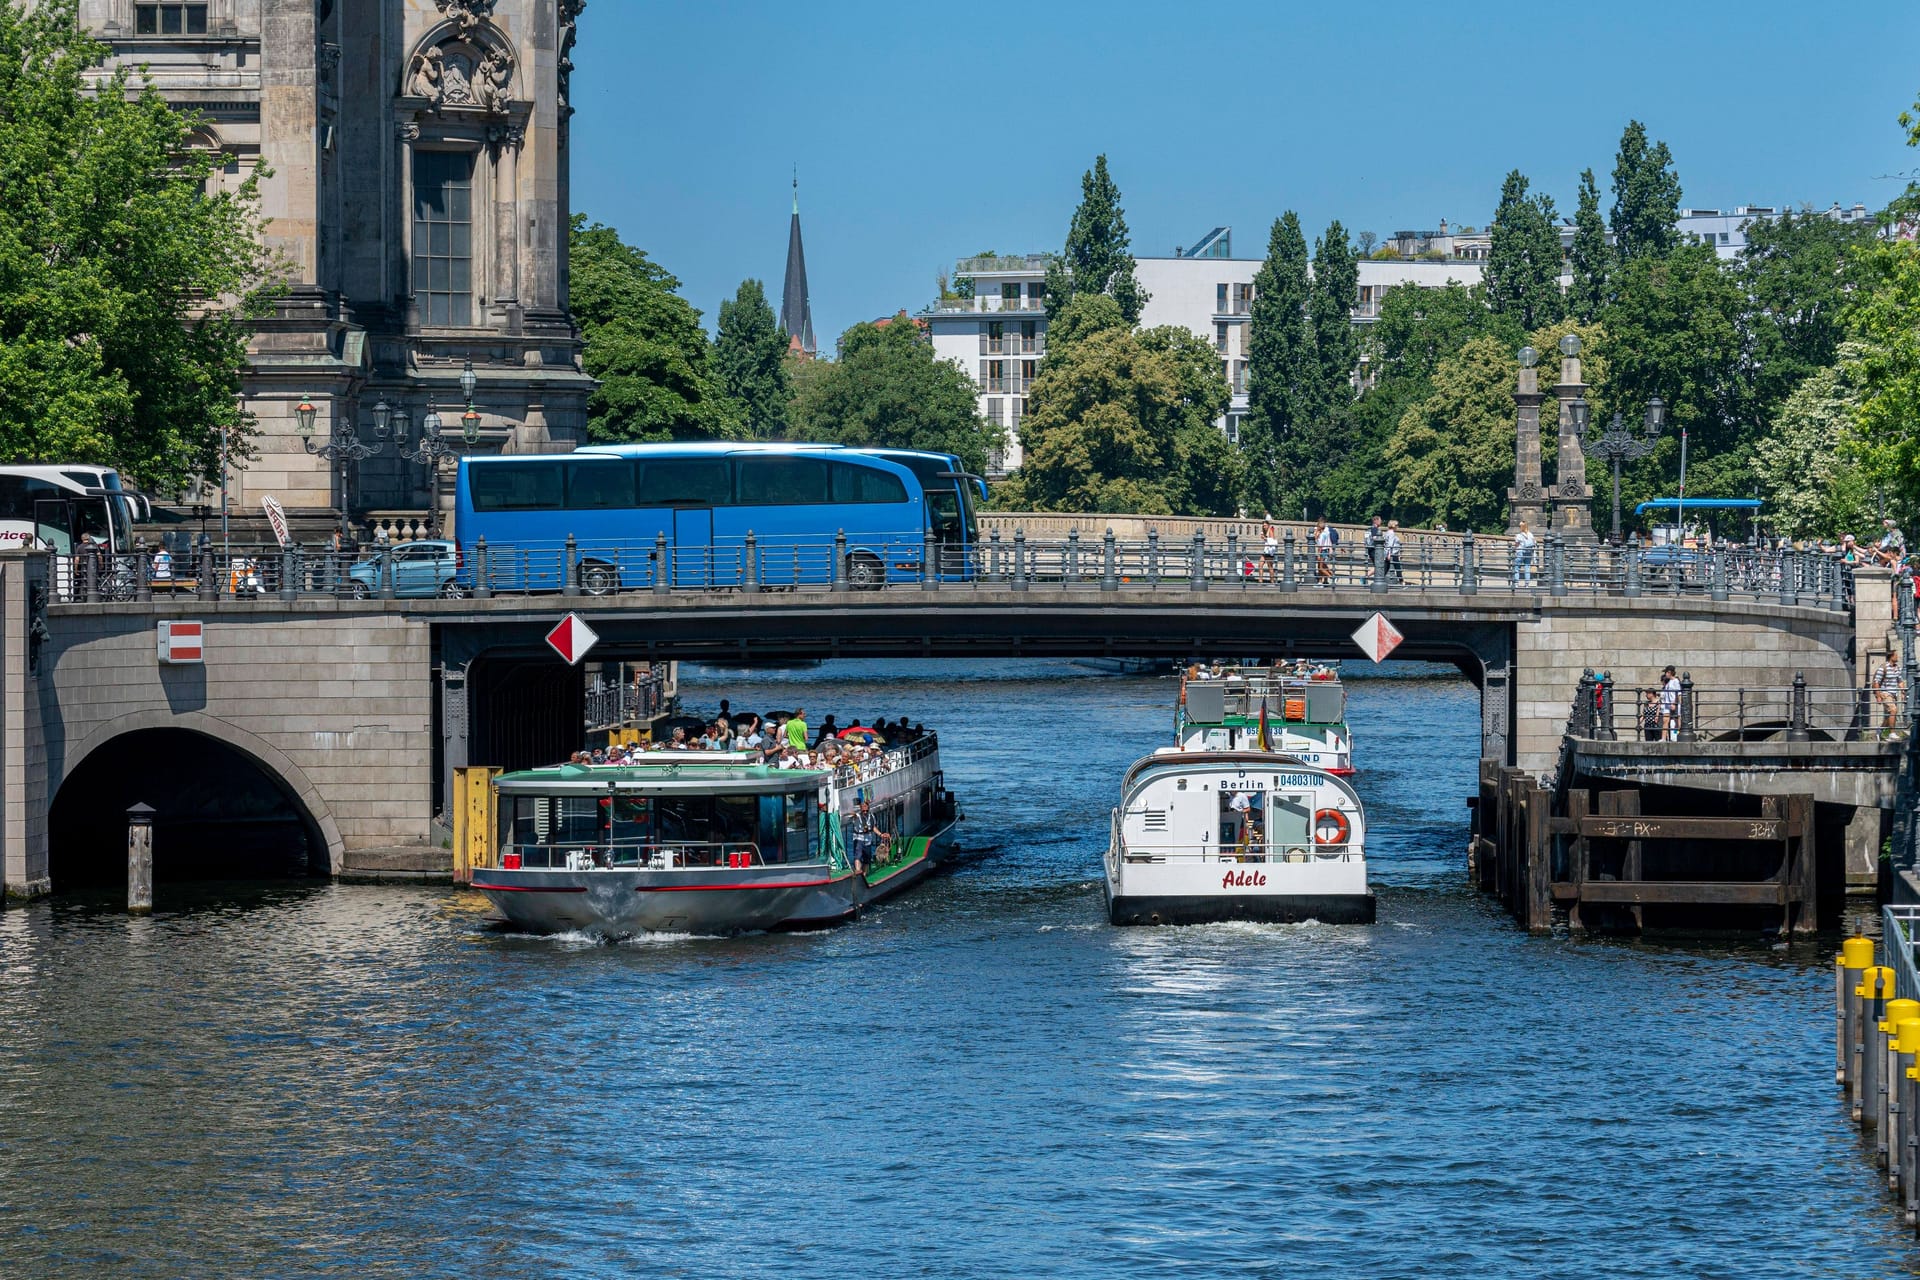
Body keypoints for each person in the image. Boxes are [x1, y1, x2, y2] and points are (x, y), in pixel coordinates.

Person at [846, 798, 876, 873]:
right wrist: (852, 813)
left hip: (868, 840)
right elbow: (854, 816)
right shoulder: (858, 816)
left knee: (866, 860)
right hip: (859, 839)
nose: (865, 811)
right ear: (861, 808)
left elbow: (874, 827)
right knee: (858, 856)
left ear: (868, 808)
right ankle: (858, 871)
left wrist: (881, 834)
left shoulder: (871, 816)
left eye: (866, 809)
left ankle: (864, 875)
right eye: (863, 809)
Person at [1876, 656, 1904, 733]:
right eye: (1896, 655)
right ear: (1891, 657)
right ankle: (1892, 733)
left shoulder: (1897, 668)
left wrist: (1902, 692)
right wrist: (1878, 696)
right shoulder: (1883, 668)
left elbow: (1900, 681)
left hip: (1894, 694)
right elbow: (1876, 682)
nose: (1897, 656)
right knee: (1893, 710)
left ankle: (1880, 730)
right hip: (1885, 693)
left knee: (1891, 714)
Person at [1659, 665, 1682, 741]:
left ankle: (1678, 736)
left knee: (1677, 720)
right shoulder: (1668, 682)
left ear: (1669, 672)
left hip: (1673, 704)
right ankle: (1663, 738)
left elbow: (1678, 693)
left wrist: (1675, 703)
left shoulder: (1676, 681)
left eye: (1666, 672)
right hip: (1667, 704)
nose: (1665, 674)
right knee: (1665, 720)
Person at [1512, 521, 1536, 586]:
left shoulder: (1519, 535)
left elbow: (1517, 544)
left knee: (1517, 567)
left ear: (1521, 527)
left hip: (1520, 552)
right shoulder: (1530, 534)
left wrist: (1514, 548)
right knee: (1527, 567)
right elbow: (1534, 542)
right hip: (1528, 552)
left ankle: (1516, 583)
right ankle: (1527, 584)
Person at [1313, 517, 1335, 587]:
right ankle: (1320, 582)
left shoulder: (1322, 534)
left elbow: (1320, 545)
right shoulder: (1326, 532)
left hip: (1322, 550)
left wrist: (1319, 554)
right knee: (1322, 566)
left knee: (1321, 567)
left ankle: (1332, 577)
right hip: (1325, 550)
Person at [1261, 514, 1278, 584]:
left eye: (1265, 525)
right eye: (1263, 526)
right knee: (1260, 564)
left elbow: (1272, 540)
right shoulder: (1264, 531)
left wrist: (1265, 538)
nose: (1264, 527)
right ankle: (1260, 581)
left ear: (1268, 525)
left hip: (1269, 551)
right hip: (1265, 551)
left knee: (1270, 566)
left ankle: (1272, 581)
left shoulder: (1270, 531)